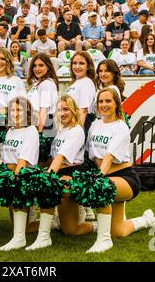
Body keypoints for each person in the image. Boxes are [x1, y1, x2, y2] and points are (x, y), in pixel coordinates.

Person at [85, 88, 155, 253]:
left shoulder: (121, 126)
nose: (104, 105)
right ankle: (146, 220)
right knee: (118, 232)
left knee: (101, 188)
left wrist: (98, 177)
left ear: (116, 104)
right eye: (101, 101)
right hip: (106, 175)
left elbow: (108, 157)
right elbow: (92, 156)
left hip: (125, 179)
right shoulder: (94, 125)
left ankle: (104, 240)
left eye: (108, 101)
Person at [0, 96, 40, 251]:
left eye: (19, 110)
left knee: (20, 222)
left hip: (23, 175)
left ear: (27, 112)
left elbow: (23, 161)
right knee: (21, 225)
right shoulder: (10, 131)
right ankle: (51, 223)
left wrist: (14, 179)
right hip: (9, 174)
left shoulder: (31, 130)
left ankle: (19, 239)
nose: (15, 114)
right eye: (12, 110)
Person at [50, 95, 93, 237]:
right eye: (59, 110)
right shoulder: (62, 130)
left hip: (71, 173)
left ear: (74, 110)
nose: (62, 113)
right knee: (63, 227)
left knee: (70, 231)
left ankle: (101, 225)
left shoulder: (76, 131)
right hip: (59, 173)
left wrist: (46, 179)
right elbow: (54, 157)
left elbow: (61, 158)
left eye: (66, 109)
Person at [26, 53, 59, 138]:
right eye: (35, 66)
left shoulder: (47, 83)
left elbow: (44, 110)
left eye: (41, 65)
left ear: (48, 67)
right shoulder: (37, 83)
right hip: (37, 125)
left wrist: (39, 134)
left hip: (45, 126)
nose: (37, 69)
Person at [66, 51, 96, 128]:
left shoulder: (86, 82)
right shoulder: (76, 82)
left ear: (88, 66)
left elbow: (83, 111)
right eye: (74, 63)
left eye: (81, 63)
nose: (77, 66)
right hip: (71, 124)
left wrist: (76, 132)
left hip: (81, 124)